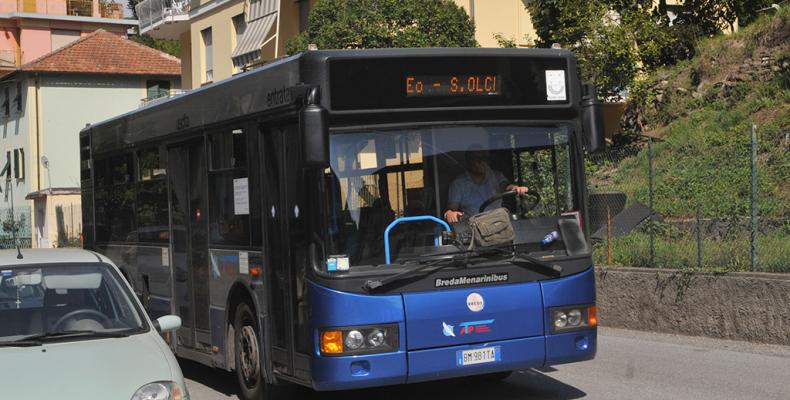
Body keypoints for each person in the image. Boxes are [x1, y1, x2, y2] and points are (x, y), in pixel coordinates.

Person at [444, 147, 528, 223]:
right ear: (468, 161)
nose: (482, 162)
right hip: (474, 228)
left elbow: (506, 186)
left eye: (485, 159)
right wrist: (450, 213)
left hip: (500, 224)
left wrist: (516, 188)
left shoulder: (496, 176)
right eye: (478, 159)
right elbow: (452, 209)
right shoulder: (458, 184)